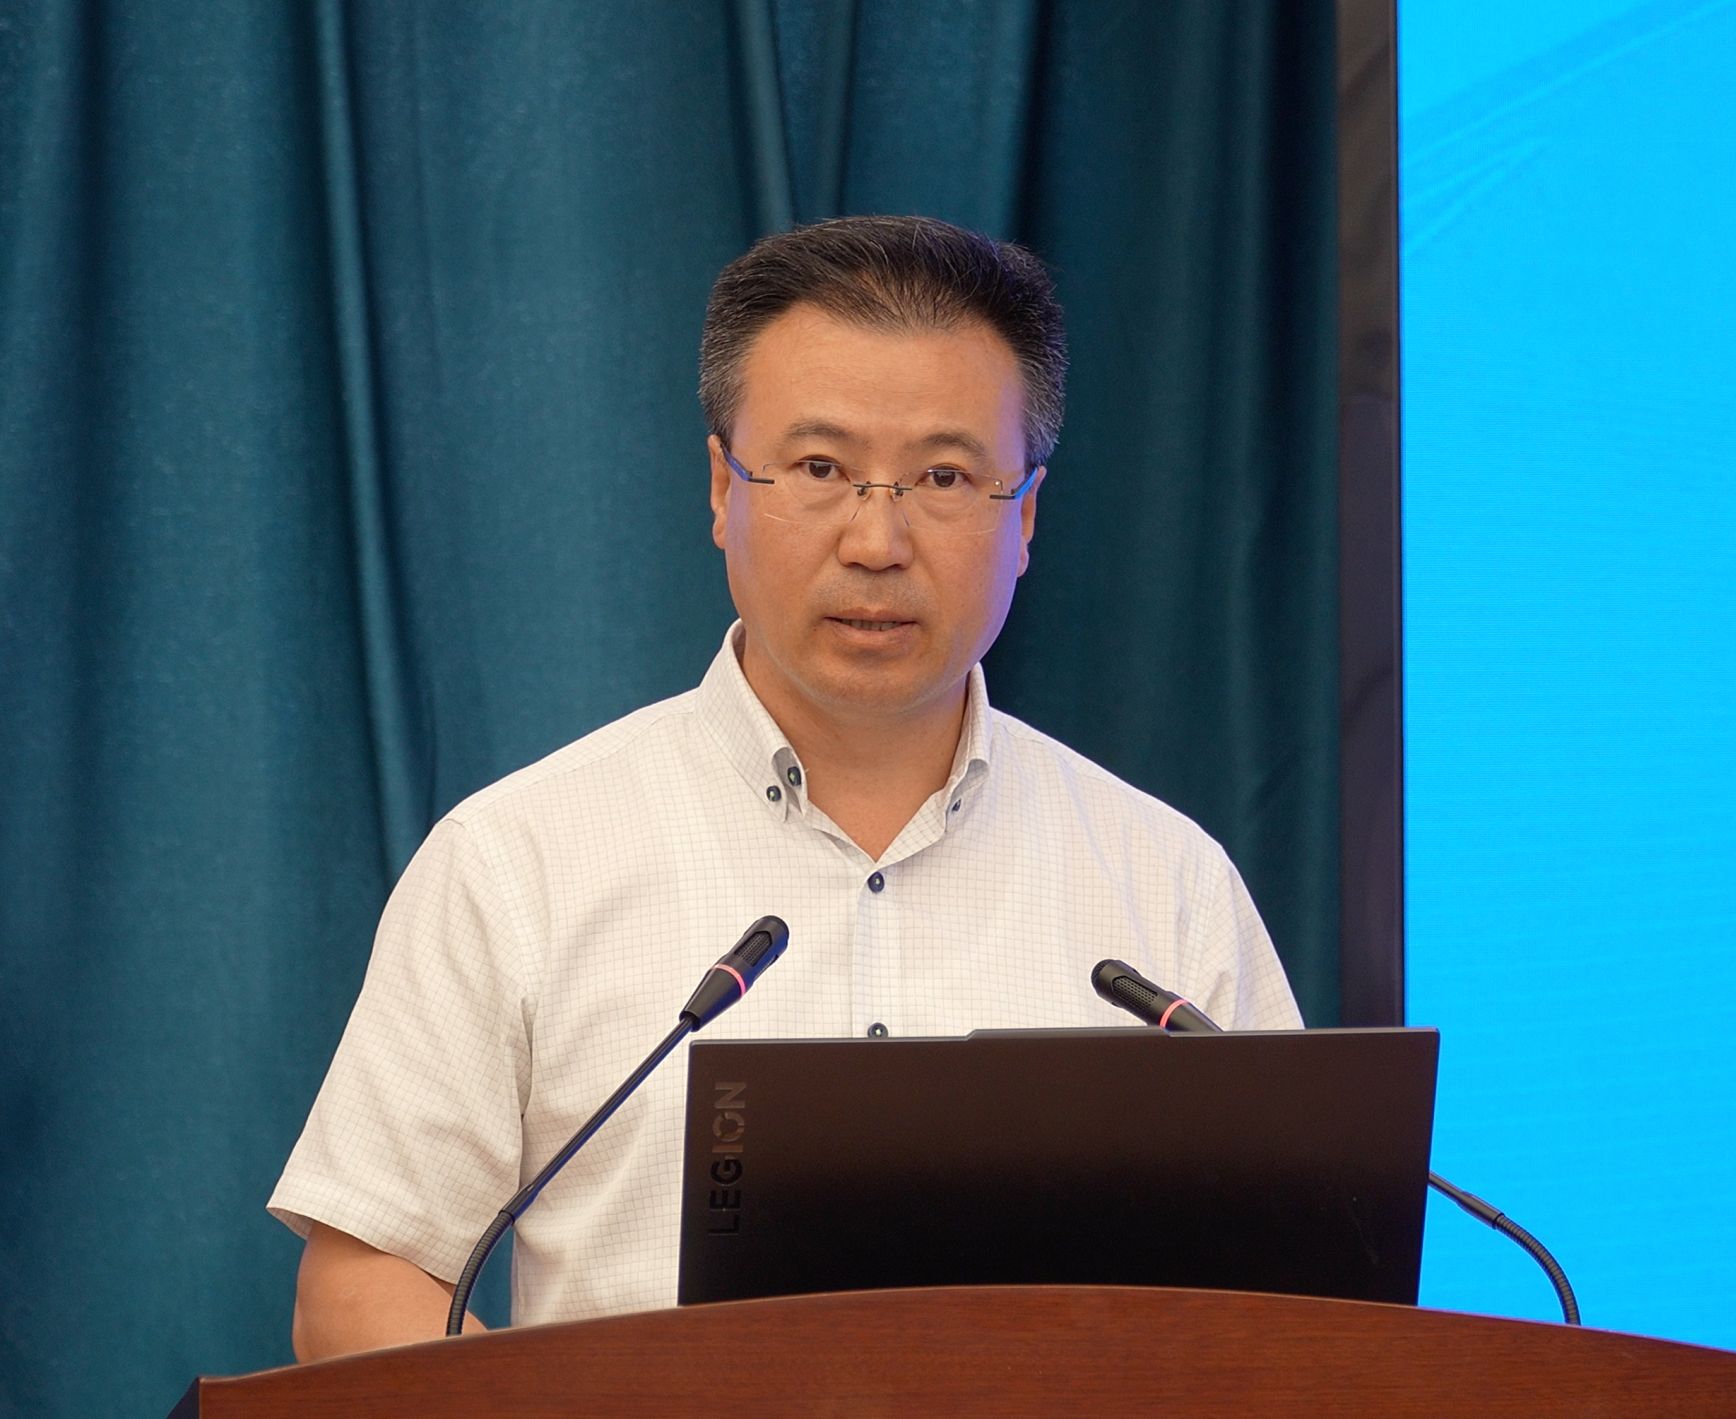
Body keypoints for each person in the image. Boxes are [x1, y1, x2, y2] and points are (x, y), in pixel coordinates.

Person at [270, 215, 1301, 1360]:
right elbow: (365, 1281)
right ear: (723, 488)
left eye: (944, 476)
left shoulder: (1165, 884)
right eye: (819, 469)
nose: (876, 540)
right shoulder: (518, 861)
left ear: (1024, 518)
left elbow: (1296, 1301)